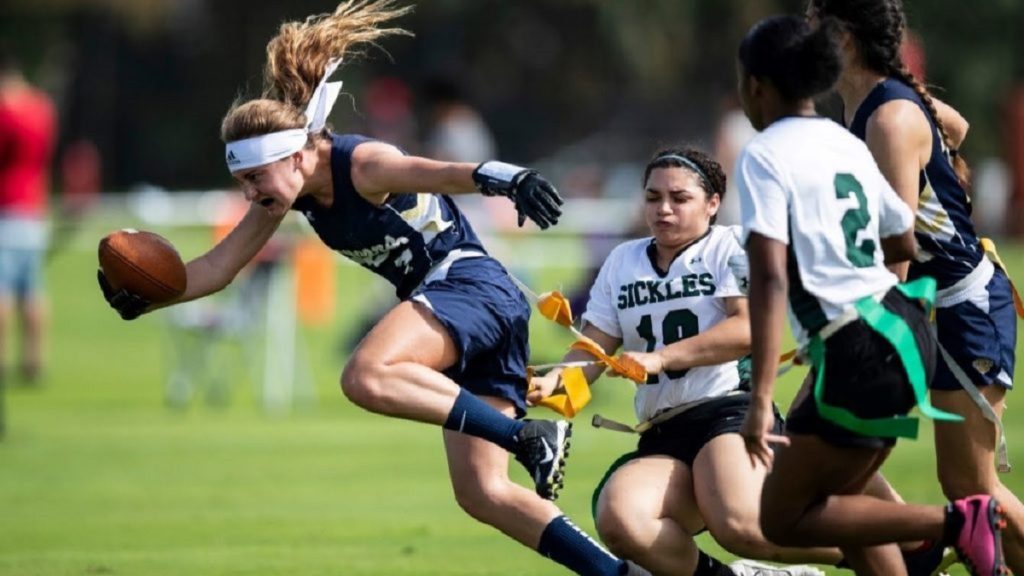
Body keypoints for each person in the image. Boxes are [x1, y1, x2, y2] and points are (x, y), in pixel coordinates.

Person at [96, 2, 647, 575]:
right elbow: (217, 267)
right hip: (458, 310)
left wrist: (508, 177)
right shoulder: (283, 193)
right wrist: (152, 294)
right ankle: (619, 574)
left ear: (294, 153)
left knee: (364, 375)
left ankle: (526, 436)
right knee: (483, 493)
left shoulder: (361, 164)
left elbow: (437, 172)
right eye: (241, 182)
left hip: (471, 286)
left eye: (253, 176)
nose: (248, 192)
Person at [734, 14, 1009, 576]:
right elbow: (901, 234)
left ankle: (958, 524)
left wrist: (761, 398)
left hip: (859, 344)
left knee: (782, 518)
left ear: (755, 85)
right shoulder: (845, 139)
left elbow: (767, 279)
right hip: (907, 327)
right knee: (846, 506)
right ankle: (952, 531)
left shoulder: (765, 156)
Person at [528, 146, 835, 576]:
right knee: (622, 520)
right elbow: (593, 348)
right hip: (663, 429)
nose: (663, 209)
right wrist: (556, 382)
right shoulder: (622, 261)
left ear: (712, 203)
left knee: (740, 527)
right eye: (653, 198)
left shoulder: (731, 245)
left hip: (729, 412)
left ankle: (892, 551)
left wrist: (660, 358)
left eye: (679, 198)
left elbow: (748, 329)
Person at [808, 0, 1023, 571]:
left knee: (974, 494)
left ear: (846, 41)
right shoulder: (870, 107)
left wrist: (850, 330)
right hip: (935, 309)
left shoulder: (888, 119)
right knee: (967, 493)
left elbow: (895, 252)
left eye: (813, 26)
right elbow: (956, 125)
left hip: (964, 307)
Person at [0, 46, 57, 388]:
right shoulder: (42, 107)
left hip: (7, 206)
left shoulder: (6, 112)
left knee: (4, 291)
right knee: (33, 289)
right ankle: (34, 362)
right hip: (35, 206)